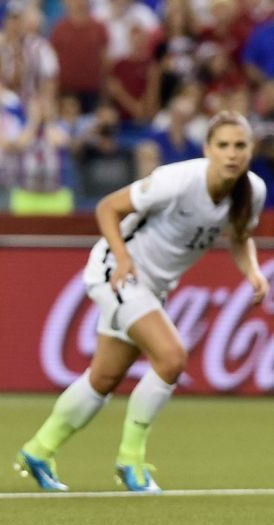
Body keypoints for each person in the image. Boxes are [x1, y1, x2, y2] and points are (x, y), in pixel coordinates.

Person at [16, 111, 268, 493]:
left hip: (153, 286)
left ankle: (39, 449)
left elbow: (239, 236)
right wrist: (122, 257)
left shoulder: (252, 190)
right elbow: (108, 208)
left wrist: (251, 271)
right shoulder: (178, 181)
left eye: (240, 146)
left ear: (251, 150)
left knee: (104, 378)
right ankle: (130, 461)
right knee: (171, 357)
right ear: (207, 150)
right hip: (117, 273)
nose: (232, 154)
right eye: (223, 146)